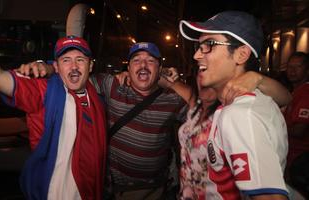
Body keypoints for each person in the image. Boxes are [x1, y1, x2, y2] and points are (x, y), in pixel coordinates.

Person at [18, 41, 291, 200]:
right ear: (128, 68)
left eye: (151, 61)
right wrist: (47, 67)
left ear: (160, 69)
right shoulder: (109, 85)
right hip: (111, 190)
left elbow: (205, 109)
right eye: (136, 60)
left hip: (153, 192)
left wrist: (257, 79)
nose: (143, 65)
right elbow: (73, 71)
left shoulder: (174, 100)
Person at [178, 10, 289, 199]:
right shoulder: (247, 104)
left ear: (241, 54)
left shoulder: (239, 115)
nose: (196, 55)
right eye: (198, 46)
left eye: (209, 45)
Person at [0, 35, 107, 200]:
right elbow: (4, 80)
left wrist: (48, 66)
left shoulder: (96, 96)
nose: (74, 67)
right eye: (66, 60)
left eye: (80, 60)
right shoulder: (45, 92)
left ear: (90, 65)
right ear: (57, 66)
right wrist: (46, 67)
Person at [284, 52, 309, 197]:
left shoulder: (306, 92)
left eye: (297, 67)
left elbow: (299, 130)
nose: (292, 71)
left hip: (301, 161)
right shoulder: (294, 92)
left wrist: (276, 127)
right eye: (289, 66)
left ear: (307, 70)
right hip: (292, 160)